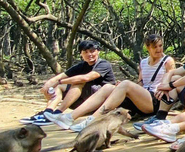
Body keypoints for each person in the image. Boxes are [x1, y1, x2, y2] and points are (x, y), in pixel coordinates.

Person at [44, 34, 175, 132]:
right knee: (108, 87)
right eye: (154, 47)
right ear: (148, 48)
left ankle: (91, 120)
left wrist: (128, 86)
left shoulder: (167, 61)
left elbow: (169, 79)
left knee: (126, 84)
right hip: (143, 97)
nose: (158, 49)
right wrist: (124, 88)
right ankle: (69, 117)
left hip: (156, 100)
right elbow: (141, 83)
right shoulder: (143, 62)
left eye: (160, 46)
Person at [20, 40, 116, 126]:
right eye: (85, 52)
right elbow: (60, 76)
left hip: (103, 100)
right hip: (85, 101)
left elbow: (86, 77)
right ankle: (48, 112)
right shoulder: (81, 66)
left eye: (92, 51)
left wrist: (60, 81)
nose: (89, 54)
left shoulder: (103, 64)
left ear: (98, 51)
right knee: (60, 86)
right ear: (81, 54)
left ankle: (57, 113)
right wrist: (48, 85)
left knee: (78, 82)